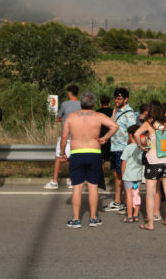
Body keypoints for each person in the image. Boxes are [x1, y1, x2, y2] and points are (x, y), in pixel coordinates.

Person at [61, 91, 119, 228]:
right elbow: (115, 126)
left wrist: (63, 152)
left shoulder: (72, 117)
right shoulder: (98, 116)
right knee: (93, 186)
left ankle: (76, 219)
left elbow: (64, 137)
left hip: (77, 152)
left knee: (77, 186)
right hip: (94, 152)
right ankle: (93, 218)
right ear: (93, 104)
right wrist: (105, 138)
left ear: (81, 102)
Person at [132, 101, 166, 230]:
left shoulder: (149, 124)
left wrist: (141, 145)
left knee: (150, 193)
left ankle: (150, 223)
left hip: (153, 161)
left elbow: (136, 134)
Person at [104, 87, 138, 213]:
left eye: (119, 98)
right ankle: (118, 201)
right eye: (115, 98)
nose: (116, 100)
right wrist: (114, 111)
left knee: (124, 176)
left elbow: (132, 132)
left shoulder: (129, 113)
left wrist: (129, 149)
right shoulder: (118, 111)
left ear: (126, 99)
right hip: (115, 147)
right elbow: (110, 123)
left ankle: (126, 202)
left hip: (123, 149)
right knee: (117, 176)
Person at [45, 85, 80, 189]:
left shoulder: (65, 104)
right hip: (77, 136)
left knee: (58, 157)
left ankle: (54, 181)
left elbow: (59, 117)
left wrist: (62, 119)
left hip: (66, 135)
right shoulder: (81, 104)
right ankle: (72, 180)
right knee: (74, 158)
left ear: (69, 93)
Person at [120, 125, 143, 223]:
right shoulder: (141, 148)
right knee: (137, 194)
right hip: (138, 176)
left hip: (128, 176)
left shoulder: (128, 148)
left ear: (130, 135)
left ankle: (129, 216)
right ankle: (136, 215)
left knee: (129, 195)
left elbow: (123, 163)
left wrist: (122, 175)